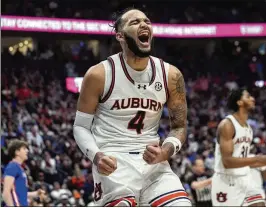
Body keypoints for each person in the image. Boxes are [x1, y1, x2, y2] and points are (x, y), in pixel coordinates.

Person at [73, 7, 191, 207]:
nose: (144, 24)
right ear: (120, 36)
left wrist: (166, 151)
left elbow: (179, 127)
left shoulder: (171, 75)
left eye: (147, 21)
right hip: (113, 160)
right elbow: (81, 126)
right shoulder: (99, 74)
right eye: (135, 22)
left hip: (153, 162)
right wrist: (96, 156)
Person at [211, 88, 266, 206]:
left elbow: (243, 159)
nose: (252, 99)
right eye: (248, 96)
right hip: (225, 180)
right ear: (239, 102)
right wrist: (258, 159)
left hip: (245, 178)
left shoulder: (248, 128)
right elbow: (227, 162)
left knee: (260, 204)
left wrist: (262, 162)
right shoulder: (227, 125)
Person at [2, 139, 46, 206]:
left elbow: (20, 193)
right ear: (17, 152)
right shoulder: (12, 167)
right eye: (24, 149)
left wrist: (36, 193)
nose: (27, 151)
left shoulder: (19, 168)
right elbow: (6, 193)